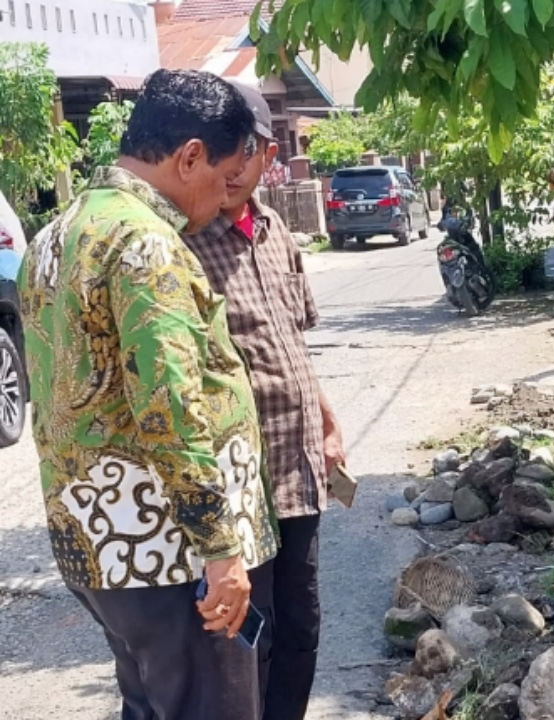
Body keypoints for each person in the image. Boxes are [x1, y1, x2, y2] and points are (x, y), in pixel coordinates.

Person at [17, 69, 275, 719]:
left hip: (99, 548)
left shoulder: (59, 231)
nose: (223, 201)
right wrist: (220, 552)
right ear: (189, 156)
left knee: (150, 704)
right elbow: (169, 406)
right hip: (168, 550)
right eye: (221, 180)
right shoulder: (146, 243)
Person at [184, 81, 346, 720]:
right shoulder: (185, 241)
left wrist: (329, 425)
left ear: (266, 154)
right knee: (250, 635)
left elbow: (295, 347)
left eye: (242, 149)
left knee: (303, 625)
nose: (228, 166)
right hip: (235, 482)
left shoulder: (278, 231)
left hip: (297, 469)